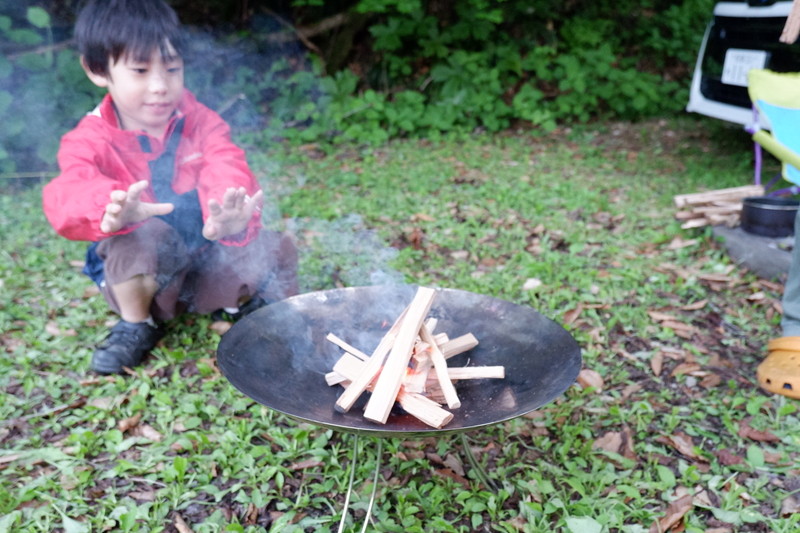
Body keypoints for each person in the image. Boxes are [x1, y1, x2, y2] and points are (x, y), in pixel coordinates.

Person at [42, 0, 298, 374]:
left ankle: (238, 303)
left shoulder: (199, 120)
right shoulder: (89, 138)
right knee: (141, 236)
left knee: (271, 247)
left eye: (172, 68)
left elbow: (225, 160)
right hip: (147, 275)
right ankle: (136, 323)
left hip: (202, 256)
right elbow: (66, 191)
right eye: (141, 70)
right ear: (98, 70)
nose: (160, 86)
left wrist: (225, 213)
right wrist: (108, 208)